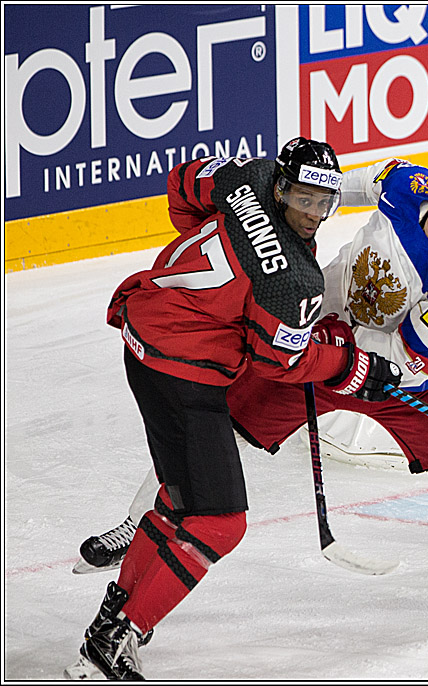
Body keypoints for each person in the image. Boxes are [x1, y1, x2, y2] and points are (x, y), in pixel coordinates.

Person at [75, 144, 428, 659]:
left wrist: (345, 356)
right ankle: (136, 524)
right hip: (308, 340)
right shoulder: (406, 184)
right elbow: (338, 190)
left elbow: (408, 360)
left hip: (392, 378)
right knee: (212, 435)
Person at [65, 137, 403, 680]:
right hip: (180, 373)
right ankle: (111, 640)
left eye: (325, 202)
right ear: (282, 188)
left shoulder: (242, 176)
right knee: (219, 523)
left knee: (180, 508)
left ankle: (116, 621)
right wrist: (350, 366)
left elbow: (180, 187)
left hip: (145, 335)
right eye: (303, 199)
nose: (314, 214)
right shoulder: (293, 281)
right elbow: (279, 364)